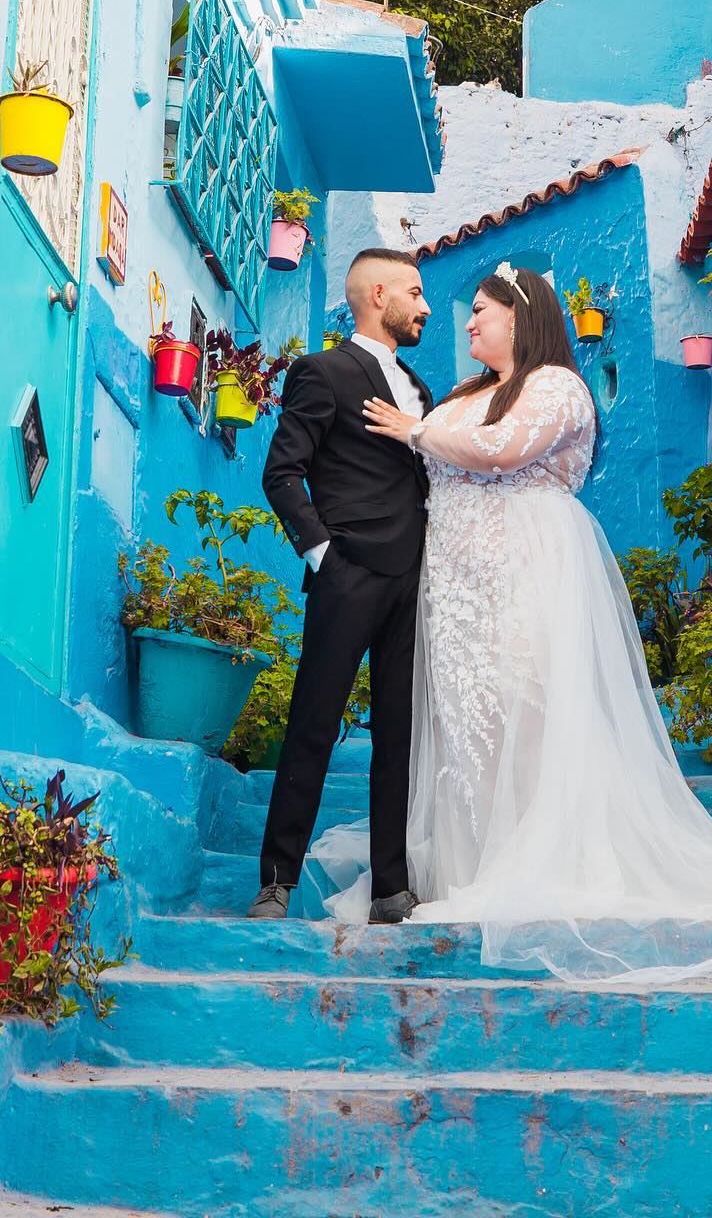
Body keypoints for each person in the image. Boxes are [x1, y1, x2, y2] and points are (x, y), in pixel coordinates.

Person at [315, 260, 712, 984]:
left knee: (530, 717)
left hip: (526, 579)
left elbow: (503, 450)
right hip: (457, 597)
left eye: (481, 309)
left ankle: (537, 864)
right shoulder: (464, 393)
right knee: (469, 731)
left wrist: (414, 432)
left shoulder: (559, 388)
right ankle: (465, 868)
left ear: (521, 316)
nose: (468, 321)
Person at [250, 249, 433, 924]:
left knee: (399, 734)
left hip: (415, 580)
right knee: (313, 726)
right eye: (414, 292)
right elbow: (281, 472)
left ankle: (391, 886)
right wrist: (324, 553)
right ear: (376, 294)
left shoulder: (418, 386)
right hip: (349, 573)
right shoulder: (322, 373)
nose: (425, 305)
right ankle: (276, 880)